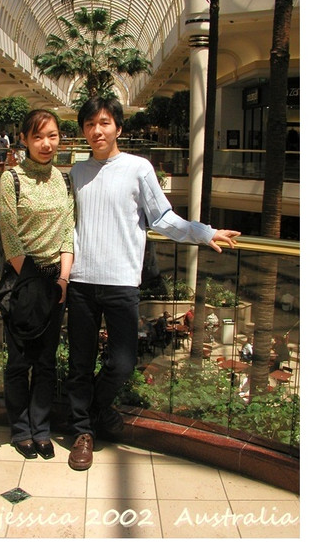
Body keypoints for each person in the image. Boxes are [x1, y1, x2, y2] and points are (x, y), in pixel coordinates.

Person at [65, 96, 240, 471]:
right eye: (90, 124)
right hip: (80, 281)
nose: (97, 130)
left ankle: (95, 409)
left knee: (123, 363)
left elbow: (162, 218)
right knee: (79, 364)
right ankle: (82, 433)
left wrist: (203, 232)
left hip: (121, 283)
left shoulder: (138, 169)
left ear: (118, 127)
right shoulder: (77, 172)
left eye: (104, 123)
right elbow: (56, 215)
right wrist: (7, 215)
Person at [0, 109, 74, 461]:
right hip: (23, 281)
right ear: (24, 140)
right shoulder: (12, 179)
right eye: (38, 136)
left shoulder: (64, 181)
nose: (46, 144)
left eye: (52, 136)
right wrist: (35, 284)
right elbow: (11, 237)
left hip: (55, 281)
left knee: (46, 361)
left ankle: (41, 429)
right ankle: (21, 430)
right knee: (19, 361)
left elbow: (68, 233)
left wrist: (62, 279)